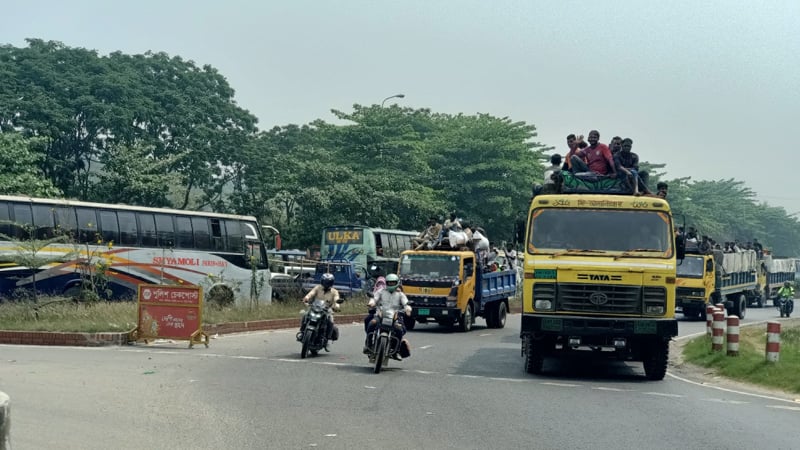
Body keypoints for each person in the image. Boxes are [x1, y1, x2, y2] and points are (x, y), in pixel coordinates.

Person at [365, 274, 412, 360]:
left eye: (393, 283)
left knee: (399, 330)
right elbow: (374, 298)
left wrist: (408, 309)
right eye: (389, 283)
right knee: (371, 323)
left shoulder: (400, 294)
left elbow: (406, 303)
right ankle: (368, 344)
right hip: (381, 315)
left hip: (394, 317)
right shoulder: (381, 291)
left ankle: (396, 351)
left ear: (397, 283)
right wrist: (371, 303)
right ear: (386, 283)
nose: (391, 284)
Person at [298, 273, 340, 349]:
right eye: (325, 281)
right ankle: (302, 332)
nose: (326, 284)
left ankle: (327, 339)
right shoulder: (318, 288)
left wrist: (336, 305)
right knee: (305, 315)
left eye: (328, 282)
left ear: (331, 283)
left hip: (327, 309)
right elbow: (311, 293)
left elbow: (336, 299)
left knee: (330, 321)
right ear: (322, 281)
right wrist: (306, 298)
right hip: (315, 307)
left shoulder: (334, 292)